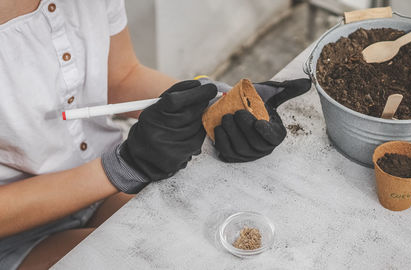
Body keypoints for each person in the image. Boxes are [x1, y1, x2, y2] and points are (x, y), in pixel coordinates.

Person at [0, 0, 311, 269]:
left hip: (102, 185)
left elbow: (121, 77)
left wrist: (219, 106)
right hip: (18, 234)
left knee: (216, 233)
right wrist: (120, 168)